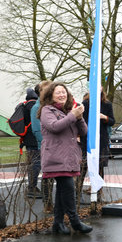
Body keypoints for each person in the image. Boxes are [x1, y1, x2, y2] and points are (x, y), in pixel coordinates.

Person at [38, 82, 92, 234]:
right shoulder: (47, 110)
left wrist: (79, 117)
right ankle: (75, 222)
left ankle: (58, 223)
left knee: (62, 190)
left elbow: (84, 131)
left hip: (69, 157)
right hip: (55, 156)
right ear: (50, 95)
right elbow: (55, 127)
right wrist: (72, 116)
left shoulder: (69, 111)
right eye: (58, 92)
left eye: (64, 92)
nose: (62, 95)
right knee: (68, 188)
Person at [76, 88, 115, 199]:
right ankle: (77, 195)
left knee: (100, 167)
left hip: (101, 140)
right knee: (83, 166)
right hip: (86, 139)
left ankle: (98, 194)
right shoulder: (85, 103)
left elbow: (112, 121)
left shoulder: (107, 104)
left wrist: (104, 117)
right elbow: (79, 120)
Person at [31, 81, 54, 212]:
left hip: (55, 146)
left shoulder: (52, 106)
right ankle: (48, 204)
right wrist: (46, 143)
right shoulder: (37, 107)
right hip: (45, 146)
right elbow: (36, 130)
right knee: (47, 174)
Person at [22, 87, 41, 198]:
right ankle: (32, 188)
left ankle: (32, 186)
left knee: (32, 163)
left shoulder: (26, 105)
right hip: (33, 139)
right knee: (36, 164)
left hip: (28, 139)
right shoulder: (34, 106)